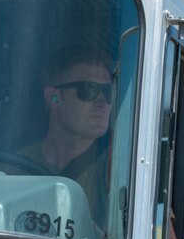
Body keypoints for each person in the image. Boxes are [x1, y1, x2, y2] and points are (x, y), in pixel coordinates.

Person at [21, 48, 115, 201]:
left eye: (108, 91)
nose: (102, 102)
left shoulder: (117, 171)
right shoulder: (10, 171)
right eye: (88, 90)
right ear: (54, 98)